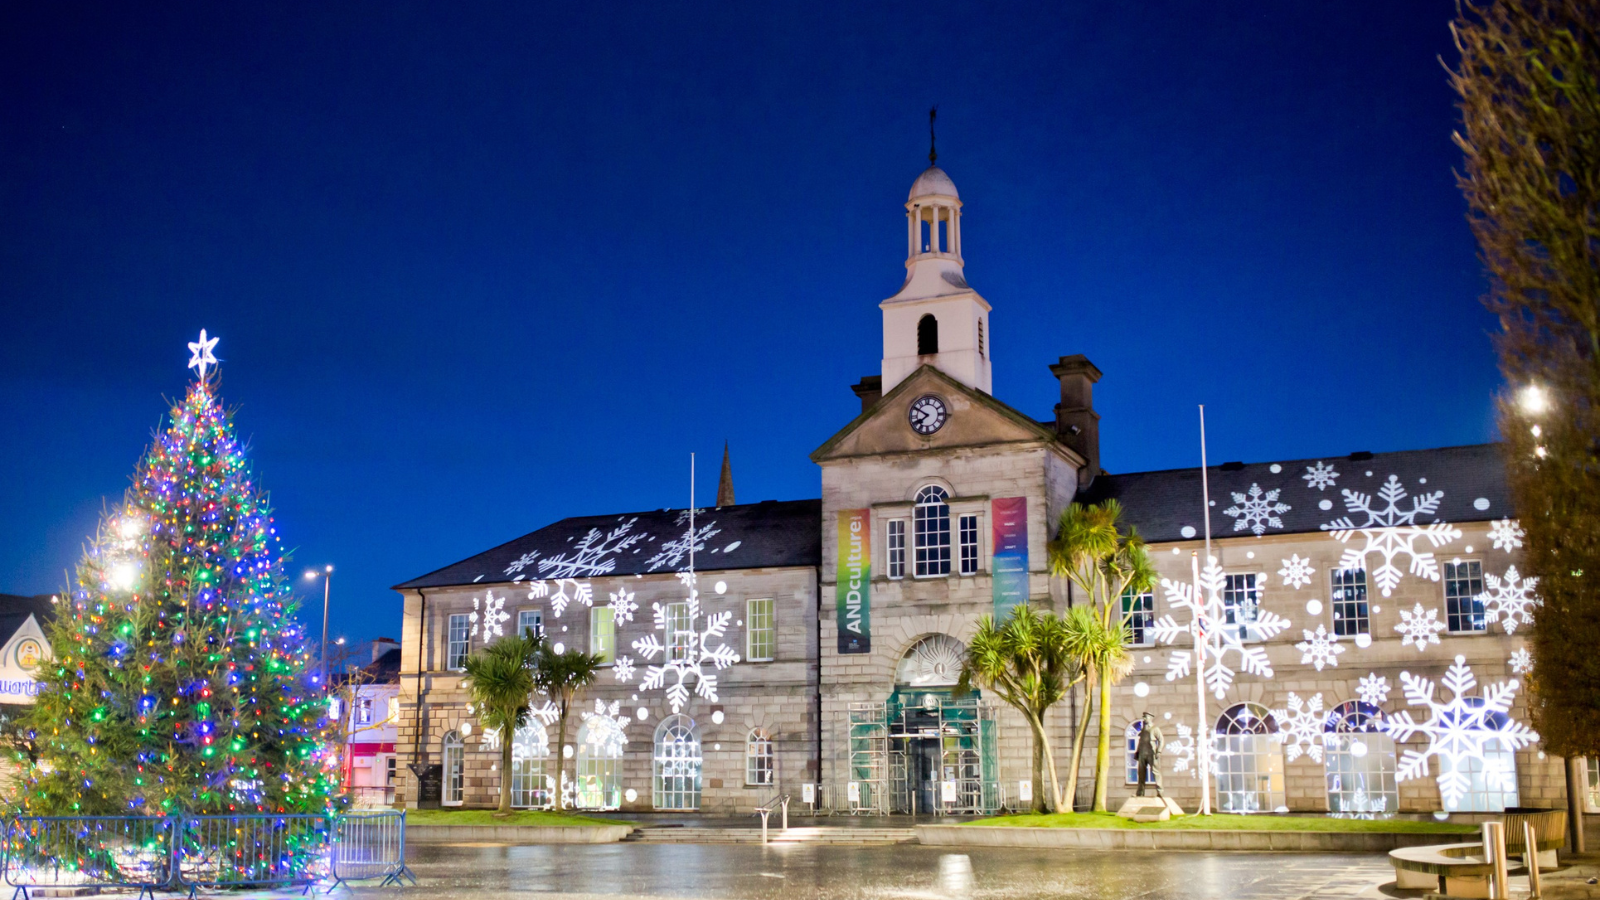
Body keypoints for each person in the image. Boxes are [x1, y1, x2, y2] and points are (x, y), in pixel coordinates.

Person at [1134, 711, 1164, 798]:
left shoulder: (1155, 729)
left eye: (1145, 717)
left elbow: (1161, 740)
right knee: (1141, 773)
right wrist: (1137, 752)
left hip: (1152, 753)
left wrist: (1159, 751)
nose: (1144, 719)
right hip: (1142, 753)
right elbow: (1141, 742)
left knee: (1156, 772)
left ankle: (1160, 792)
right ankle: (1140, 793)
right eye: (1143, 717)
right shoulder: (1143, 730)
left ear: (1150, 718)